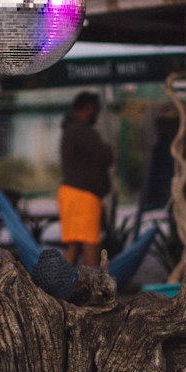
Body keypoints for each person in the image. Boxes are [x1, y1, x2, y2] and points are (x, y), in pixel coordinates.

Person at [57, 91, 114, 269]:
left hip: (72, 193)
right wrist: (108, 148)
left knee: (73, 247)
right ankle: (92, 293)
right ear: (88, 108)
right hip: (82, 196)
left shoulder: (71, 129)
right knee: (90, 247)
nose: (96, 114)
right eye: (96, 109)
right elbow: (105, 155)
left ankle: (63, 287)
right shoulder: (81, 131)